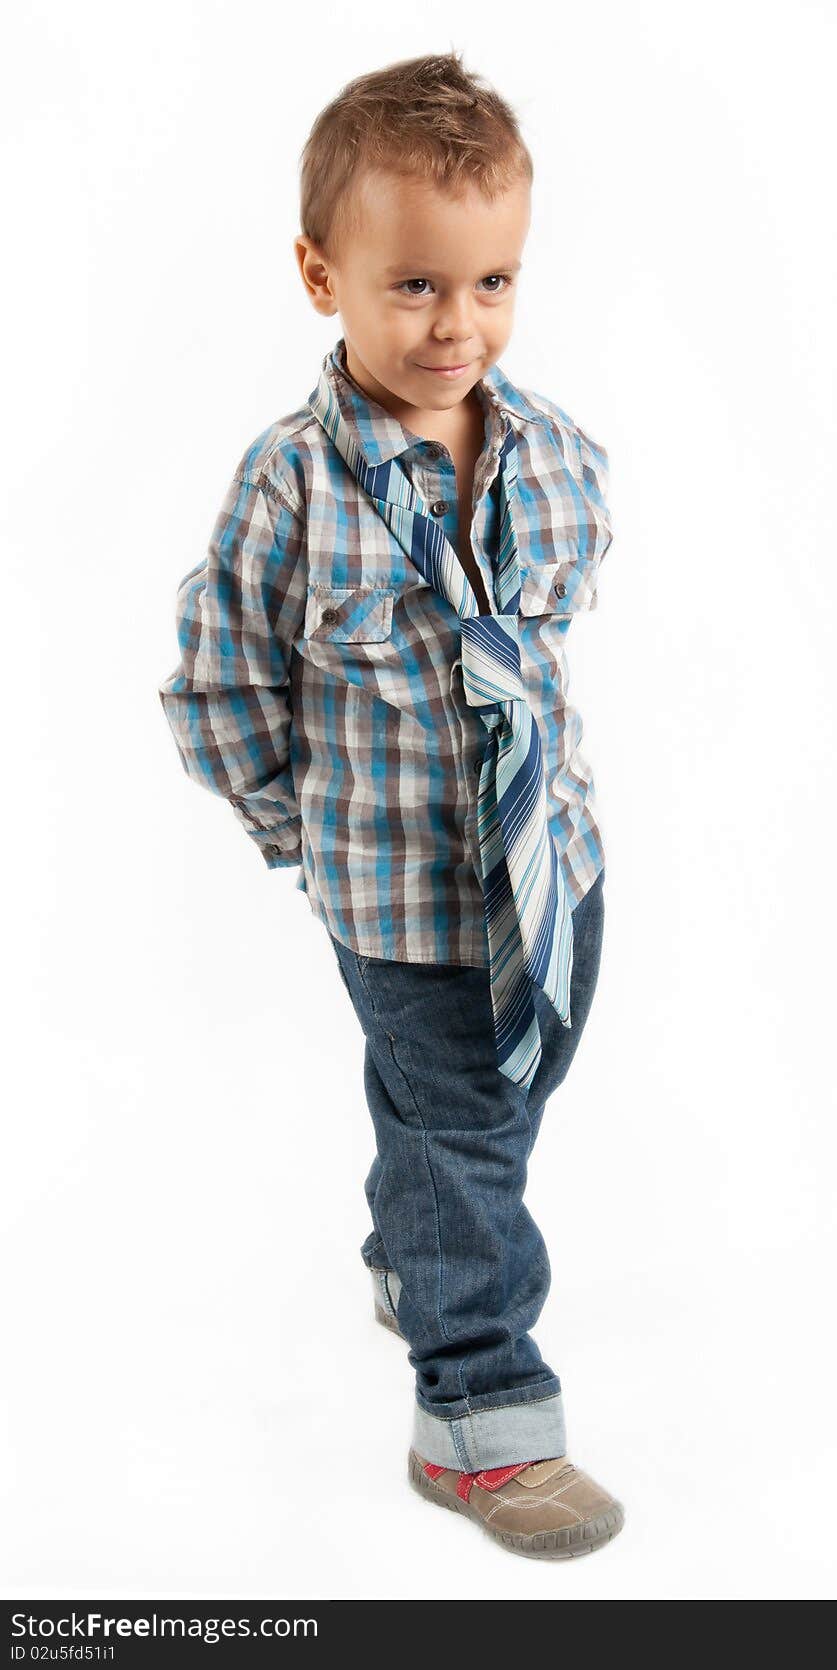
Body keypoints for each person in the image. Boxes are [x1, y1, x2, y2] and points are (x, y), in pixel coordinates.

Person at [159, 49, 623, 1560]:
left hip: (546, 869)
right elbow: (220, 686)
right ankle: (480, 1420)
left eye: (491, 281)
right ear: (322, 276)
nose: (458, 323)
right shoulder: (289, 487)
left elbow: (546, 640)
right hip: (400, 895)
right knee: (471, 1129)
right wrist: (305, 838)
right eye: (417, 285)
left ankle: (413, 1242)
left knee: (483, 1109)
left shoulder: (551, 453)